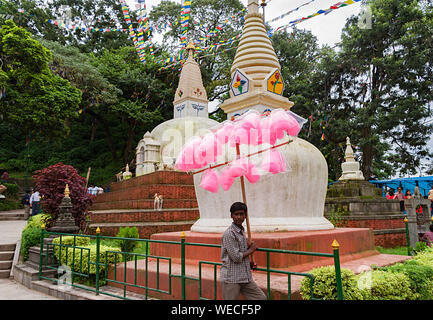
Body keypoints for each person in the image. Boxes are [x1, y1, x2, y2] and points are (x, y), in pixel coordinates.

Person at [220, 202, 266, 300]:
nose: (239, 217)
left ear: (245, 216)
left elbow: (241, 252)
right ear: (231, 216)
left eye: (241, 214)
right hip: (231, 278)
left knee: (261, 298)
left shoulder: (242, 231)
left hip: (245, 277)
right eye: (236, 214)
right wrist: (251, 249)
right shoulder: (229, 234)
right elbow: (236, 257)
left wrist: (248, 263)